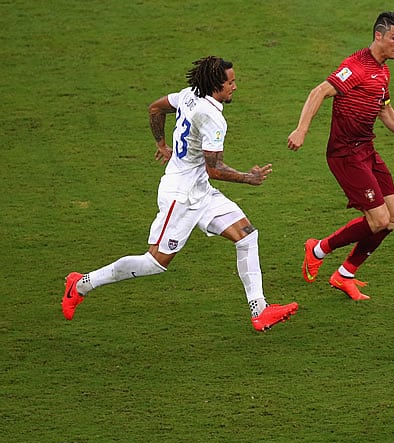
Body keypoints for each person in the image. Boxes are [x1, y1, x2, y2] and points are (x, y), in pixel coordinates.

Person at [61, 56, 298, 332]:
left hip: (200, 191)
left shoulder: (188, 95)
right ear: (215, 85)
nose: (235, 87)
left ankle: (260, 310)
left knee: (246, 236)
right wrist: (250, 178)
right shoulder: (213, 117)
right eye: (230, 82)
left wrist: (162, 144)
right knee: (154, 262)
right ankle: (80, 284)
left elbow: (155, 108)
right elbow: (215, 169)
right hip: (181, 197)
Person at [287, 11, 394, 300]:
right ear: (378, 35)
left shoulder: (383, 71)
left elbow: (384, 109)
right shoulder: (356, 67)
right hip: (345, 154)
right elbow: (319, 92)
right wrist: (301, 130)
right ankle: (317, 249)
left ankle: (345, 274)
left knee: (393, 218)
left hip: (366, 150)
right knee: (377, 219)